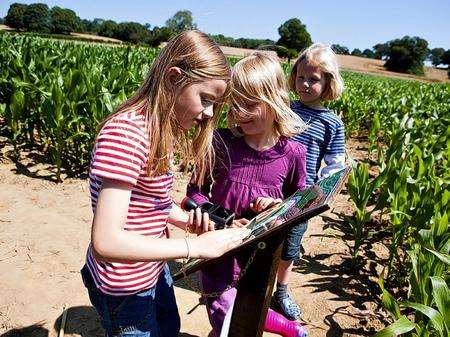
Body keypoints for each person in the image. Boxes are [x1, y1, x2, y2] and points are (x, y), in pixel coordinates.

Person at [80, 30, 250, 337]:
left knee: (169, 328)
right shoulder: (127, 135)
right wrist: (193, 247)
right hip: (124, 288)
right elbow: (106, 242)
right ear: (172, 79)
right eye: (206, 99)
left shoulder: (158, 130)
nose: (209, 113)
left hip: (152, 269)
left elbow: (149, 203)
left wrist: (189, 222)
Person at [187, 52, 308, 337]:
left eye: (251, 104)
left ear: (276, 100)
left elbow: (299, 201)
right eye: (236, 104)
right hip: (220, 250)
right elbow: (195, 191)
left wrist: (279, 206)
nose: (241, 112)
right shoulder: (221, 142)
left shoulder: (292, 153)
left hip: (261, 253)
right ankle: (289, 329)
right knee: (223, 308)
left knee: (249, 312)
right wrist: (214, 216)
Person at [271, 43, 346, 321]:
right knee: (261, 237)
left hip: (301, 196)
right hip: (271, 188)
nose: (305, 84)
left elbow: (334, 165)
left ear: (328, 82)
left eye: (313, 79)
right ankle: (249, 281)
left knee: (290, 246)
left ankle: (280, 291)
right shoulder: (284, 109)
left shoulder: (332, 124)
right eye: (301, 77)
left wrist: (321, 193)